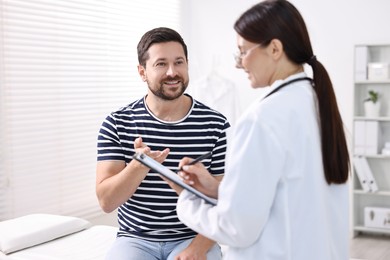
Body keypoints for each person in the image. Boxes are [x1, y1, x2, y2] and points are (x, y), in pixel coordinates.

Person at [168, 1, 350, 259]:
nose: (238, 64)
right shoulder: (317, 103)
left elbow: (236, 228)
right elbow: (285, 195)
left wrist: (187, 200)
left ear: (275, 48)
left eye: (243, 52)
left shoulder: (262, 118)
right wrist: (217, 188)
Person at [96, 27, 230, 260]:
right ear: (142, 72)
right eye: (161, 64)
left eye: (179, 62)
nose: (172, 72)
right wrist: (139, 165)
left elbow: (225, 202)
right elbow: (107, 202)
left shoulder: (216, 125)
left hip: (193, 236)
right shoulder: (117, 123)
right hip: (135, 239)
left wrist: (197, 249)